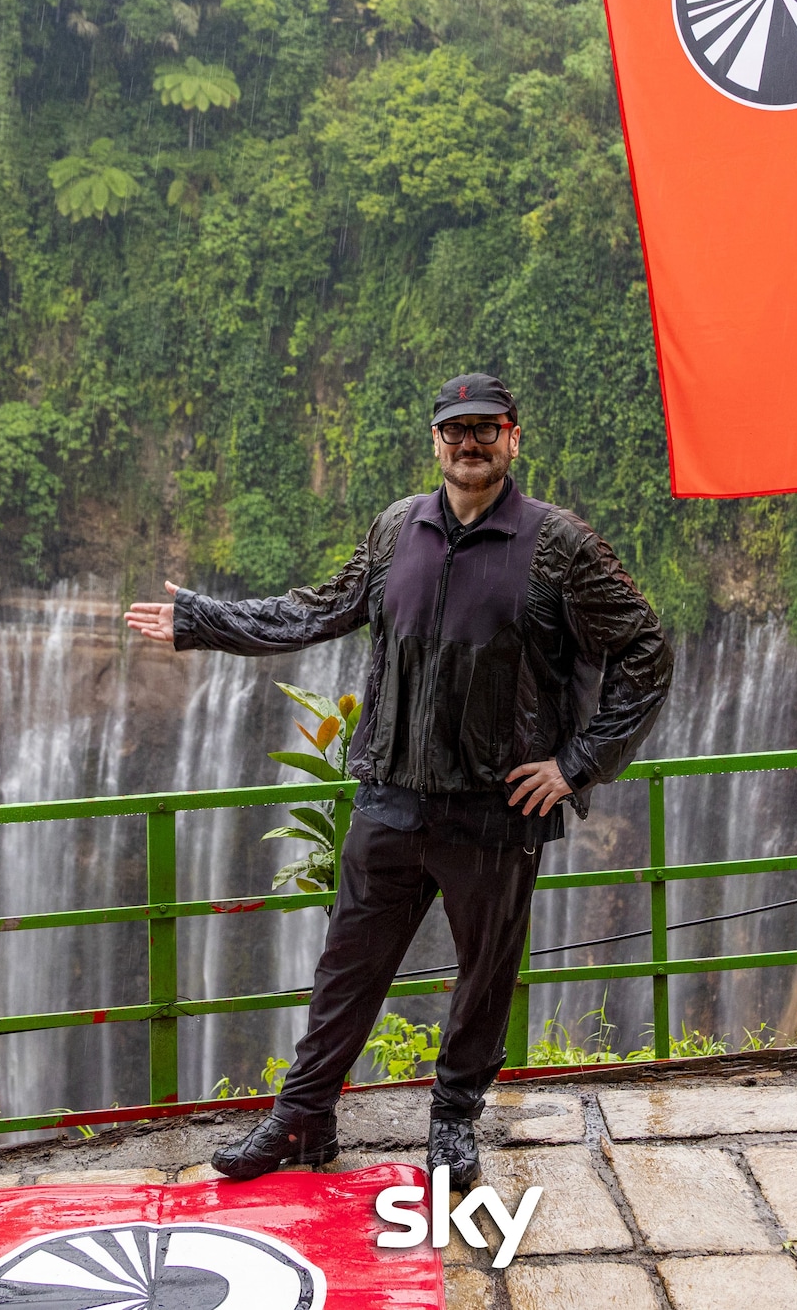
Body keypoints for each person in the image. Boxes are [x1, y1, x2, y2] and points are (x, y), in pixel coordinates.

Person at [124, 372, 672, 1187]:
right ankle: (304, 1116)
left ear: (514, 438)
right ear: (436, 443)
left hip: (496, 806)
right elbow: (313, 609)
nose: (470, 442)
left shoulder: (558, 546)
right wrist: (202, 619)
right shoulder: (395, 531)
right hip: (391, 794)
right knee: (348, 964)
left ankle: (453, 1119)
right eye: (456, 430)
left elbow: (647, 651)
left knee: (485, 974)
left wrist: (576, 764)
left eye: (487, 428)